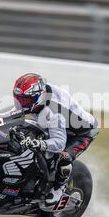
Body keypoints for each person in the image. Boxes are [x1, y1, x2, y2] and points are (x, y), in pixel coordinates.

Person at [10, 73, 99, 205]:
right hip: (59, 125)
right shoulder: (39, 97)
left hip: (81, 132)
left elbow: (59, 143)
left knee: (62, 156)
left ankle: (59, 187)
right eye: (19, 99)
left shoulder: (54, 110)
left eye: (26, 100)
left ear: (39, 96)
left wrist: (38, 143)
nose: (22, 103)